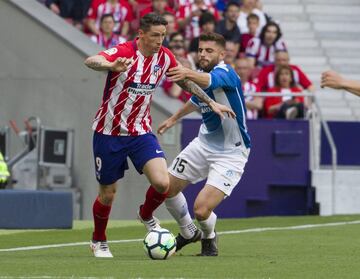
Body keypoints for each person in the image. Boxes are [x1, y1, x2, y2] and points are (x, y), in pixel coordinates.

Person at [84, 13, 235, 258]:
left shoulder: (164, 57)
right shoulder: (124, 52)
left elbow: (184, 81)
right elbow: (91, 60)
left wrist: (211, 102)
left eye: (163, 35)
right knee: (108, 194)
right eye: (155, 35)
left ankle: (145, 214)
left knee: (163, 183)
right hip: (109, 133)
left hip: (141, 132)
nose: (159, 40)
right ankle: (99, 240)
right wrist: (109, 65)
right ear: (141, 34)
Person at [139, 32, 251, 256]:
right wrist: (173, 118)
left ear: (222, 53)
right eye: (200, 50)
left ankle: (209, 237)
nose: (203, 54)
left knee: (201, 210)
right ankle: (188, 232)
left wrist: (185, 72)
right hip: (203, 144)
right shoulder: (200, 75)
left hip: (231, 153)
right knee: (166, 188)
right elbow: (195, 99)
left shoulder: (226, 73)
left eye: (209, 50)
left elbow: (210, 82)